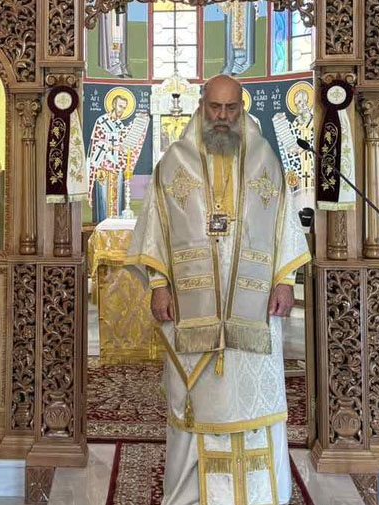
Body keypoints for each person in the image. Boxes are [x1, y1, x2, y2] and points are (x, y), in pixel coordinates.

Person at [125, 75, 310, 505]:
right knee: (197, 402)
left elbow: (284, 226)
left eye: (231, 108)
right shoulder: (174, 163)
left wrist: (284, 281)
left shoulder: (265, 160)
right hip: (193, 310)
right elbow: (155, 230)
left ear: (242, 108)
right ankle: (192, 495)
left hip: (254, 310)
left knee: (251, 402)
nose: (222, 117)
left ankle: (260, 496)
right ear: (201, 106)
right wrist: (159, 284)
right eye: (215, 108)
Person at [86, 94, 148, 222]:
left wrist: (139, 122)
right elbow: (97, 145)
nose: (121, 110)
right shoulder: (101, 121)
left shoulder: (119, 125)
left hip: (117, 169)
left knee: (117, 201)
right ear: (113, 104)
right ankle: (101, 226)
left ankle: (116, 226)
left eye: (124, 108)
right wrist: (112, 147)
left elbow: (126, 139)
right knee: (104, 202)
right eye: (120, 106)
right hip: (103, 169)